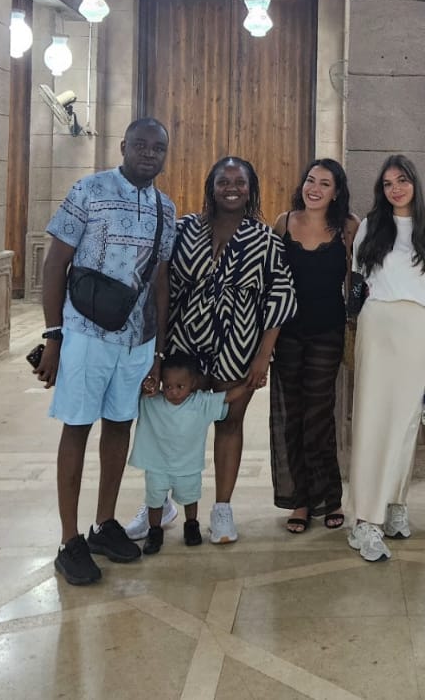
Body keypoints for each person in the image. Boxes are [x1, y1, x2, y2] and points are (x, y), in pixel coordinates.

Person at [36, 117, 176, 586]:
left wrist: (157, 350)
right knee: (77, 427)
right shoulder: (89, 190)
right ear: (123, 147)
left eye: (157, 148)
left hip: (136, 340)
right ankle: (69, 540)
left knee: (119, 426)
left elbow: (160, 282)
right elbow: (55, 263)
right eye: (140, 145)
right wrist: (53, 335)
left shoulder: (165, 208)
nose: (149, 153)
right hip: (86, 332)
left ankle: (103, 523)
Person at [150, 156, 297, 544]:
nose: (232, 188)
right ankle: (161, 500)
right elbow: (162, 285)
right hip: (184, 344)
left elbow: (280, 296)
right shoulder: (184, 229)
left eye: (240, 182)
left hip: (238, 345)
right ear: (211, 188)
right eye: (223, 182)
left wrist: (264, 355)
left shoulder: (266, 240)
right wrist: (158, 351)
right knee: (175, 426)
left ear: (251, 189)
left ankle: (223, 509)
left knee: (229, 423)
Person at [347, 155, 425, 563]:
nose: (395, 189)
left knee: (407, 420)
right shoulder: (370, 228)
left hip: (418, 329)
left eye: (402, 180)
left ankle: (395, 501)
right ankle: (365, 520)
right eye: (388, 183)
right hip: (377, 326)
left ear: (415, 184)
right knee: (372, 420)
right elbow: (357, 285)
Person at [270, 158, 359, 534]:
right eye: (310, 180)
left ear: (336, 192)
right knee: (291, 415)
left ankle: (330, 498)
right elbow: (270, 280)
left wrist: (357, 322)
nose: (315, 188)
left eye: (325, 183)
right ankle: (300, 500)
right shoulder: (283, 222)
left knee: (319, 416)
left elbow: (358, 281)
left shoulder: (349, 227)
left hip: (328, 332)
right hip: (287, 333)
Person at [128, 352, 251, 554]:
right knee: (154, 501)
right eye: (168, 386)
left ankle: (191, 525)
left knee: (190, 498)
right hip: (157, 467)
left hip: (188, 467)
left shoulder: (200, 402)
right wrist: (147, 384)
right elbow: (135, 391)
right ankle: (154, 531)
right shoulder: (152, 401)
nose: (174, 392)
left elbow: (227, 397)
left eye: (180, 386)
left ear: (193, 383)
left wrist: (249, 384)